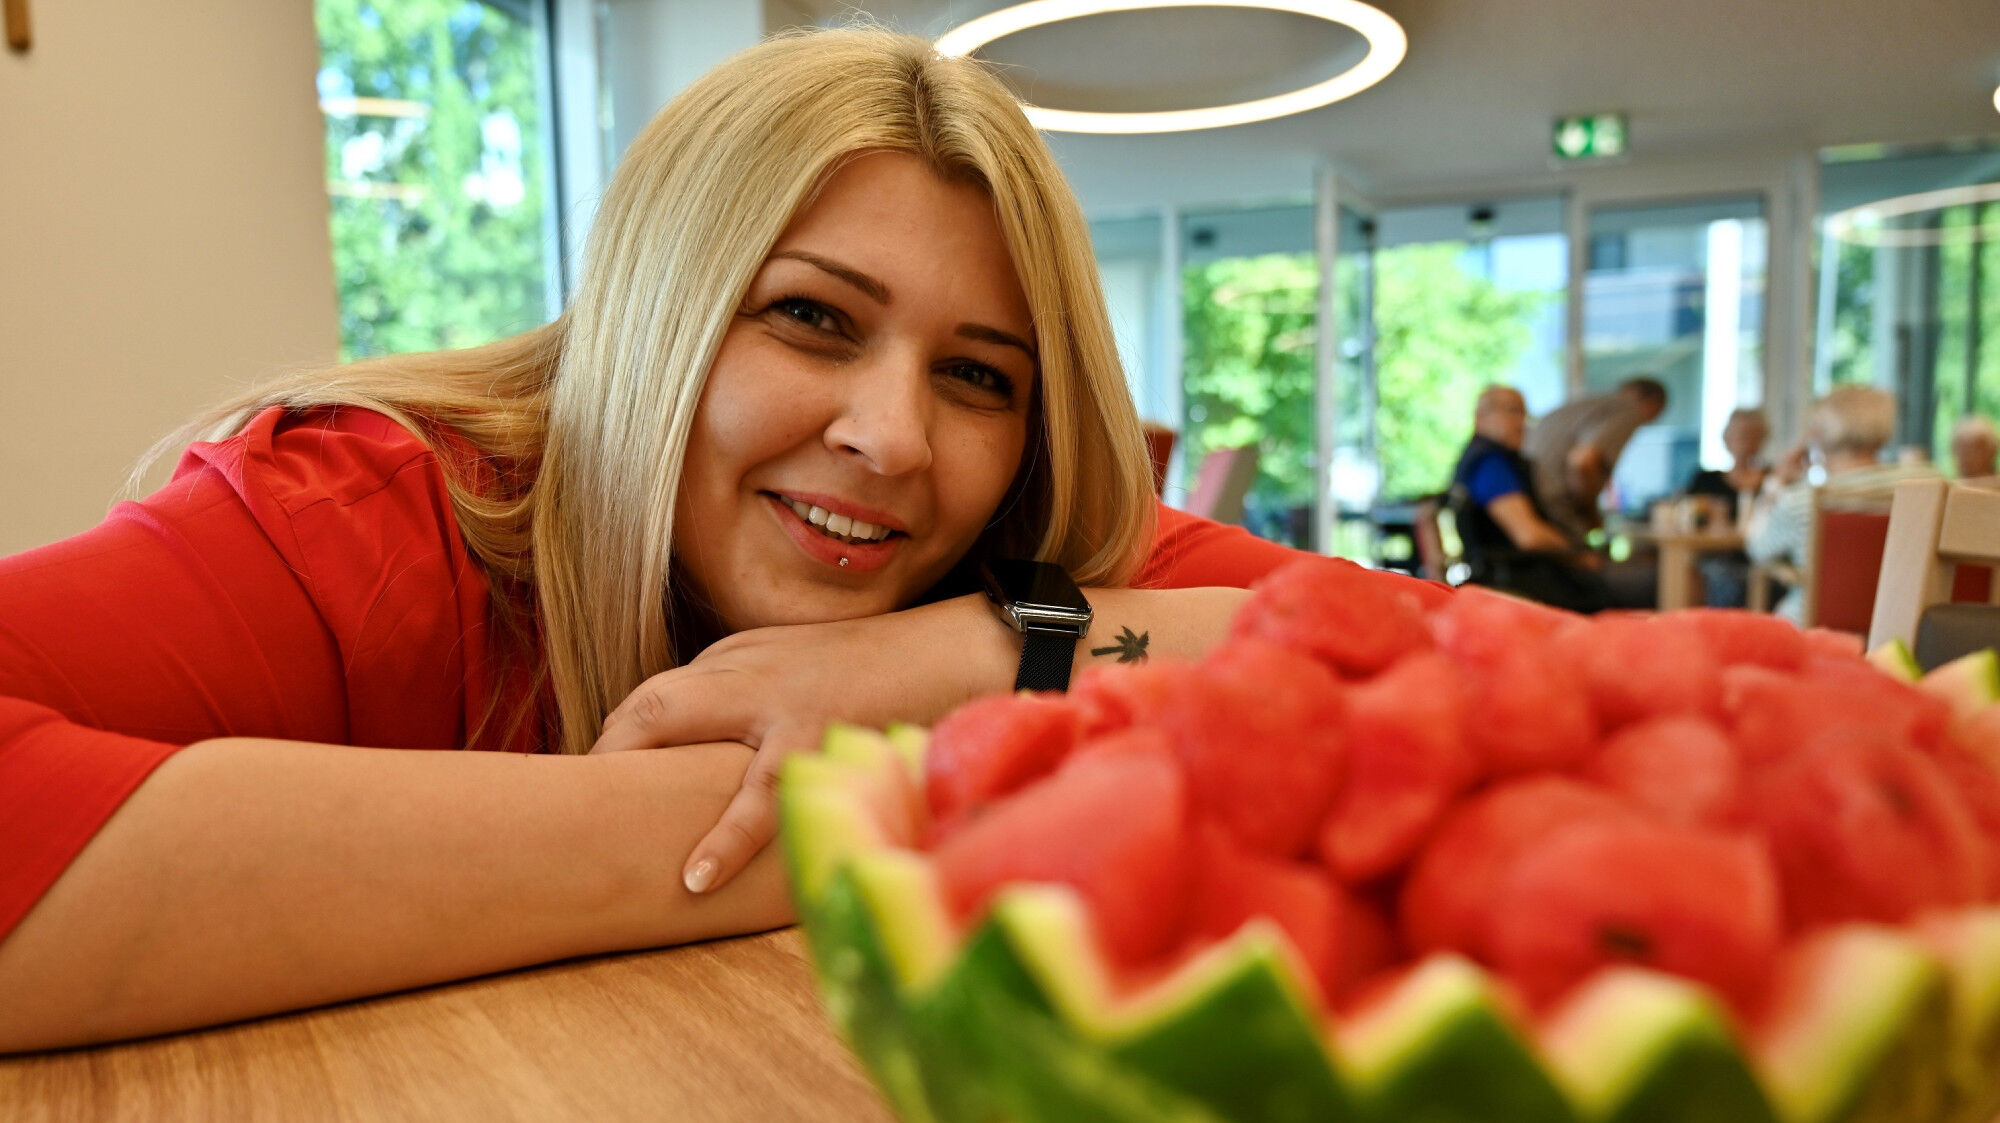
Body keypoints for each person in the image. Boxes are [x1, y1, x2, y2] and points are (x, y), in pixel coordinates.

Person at [0, 29, 1377, 1052]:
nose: (895, 437)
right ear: (660, 313)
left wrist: (988, 647)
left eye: (979, 377)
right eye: (812, 317)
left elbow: (1533, 675)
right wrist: (805, 821)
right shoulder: (370, 515)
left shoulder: (1029, 549)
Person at [1745, 384, 1939, 624]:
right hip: (1905, 628)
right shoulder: (1930, 485)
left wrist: (1775, 484)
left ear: (1816, 434)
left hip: (1816, 628)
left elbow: (1757, 548)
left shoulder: (1800, 499)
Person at [1446, 385, 1613, 613]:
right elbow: (1530, 536)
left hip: (1519, 574)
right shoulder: (1491, 464)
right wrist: (1578, 555)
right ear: (1481, 416)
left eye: (1524, 413)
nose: (1522, 421)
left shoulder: (1488, 458)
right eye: (1513, 411)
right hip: (1522, 579)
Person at [1521, 376, 1669, 543]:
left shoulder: (1584, 404)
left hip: (1527, 496)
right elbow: (1581, 462)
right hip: (1555, 499)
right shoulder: (1628, 409)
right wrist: (1591, 513)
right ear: (1653, 404)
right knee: (1594, 562)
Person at [1682, 407, 1770, 607]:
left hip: (1758, 556)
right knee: (1721, 577)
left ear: (1762, 439)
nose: (1743, 440)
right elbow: (1688, 518)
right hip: (1714, 556)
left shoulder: (1772, 481)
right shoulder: (1706, 480)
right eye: (1737, 434)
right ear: (1726, 438)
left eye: (1750, 435)